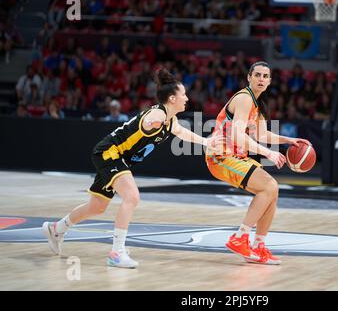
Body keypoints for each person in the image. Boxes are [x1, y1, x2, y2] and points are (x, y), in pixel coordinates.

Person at [42, 69, 221, 269]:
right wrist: (151, 122)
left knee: (97, 206)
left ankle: (56, 228)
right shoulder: (158, 113)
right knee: (132, 197)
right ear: (172, 98)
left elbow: (182, 133)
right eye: (183, 95)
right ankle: (116, 252)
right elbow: (148, 120)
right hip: (110, 153)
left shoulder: (170, 120)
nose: (187, 98)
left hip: (119, 158)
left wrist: (206, 142)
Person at [205, 61, 307, 265]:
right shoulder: (244, 98)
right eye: (257, 75)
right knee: (269, 186)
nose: (261, 79)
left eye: (265, 76)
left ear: (269, 81)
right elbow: (237, 135)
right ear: (249, 78)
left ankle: (259, 245)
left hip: (235, 157)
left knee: (272, 191)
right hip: (220, 156)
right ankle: (240, 238)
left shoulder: (257, 104)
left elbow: (260, 133)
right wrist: (268, 153)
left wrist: (288, 141)